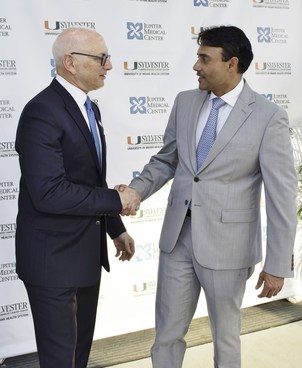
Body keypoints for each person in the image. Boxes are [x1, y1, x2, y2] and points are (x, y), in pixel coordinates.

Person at [117, 25, 297, 367]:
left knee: (226, 340)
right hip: (177, 239)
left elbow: (282, 197)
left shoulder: (268, 117)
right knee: (166, 334)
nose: (196, 66)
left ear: (232, 64)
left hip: (228, 246)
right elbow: (166, 160)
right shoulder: (185, 102)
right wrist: (136, 191)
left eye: (204, 58)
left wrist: (277, 266)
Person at [15, 27, 140, 368]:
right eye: (101, 58)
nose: (109, 66)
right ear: (70, 62)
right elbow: (49, 193)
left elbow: (90, 178)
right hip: (52, 261)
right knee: (60, 360)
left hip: (85, 255)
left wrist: (115, 228)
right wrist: (118, 201)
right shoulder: (42, 111)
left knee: (78, 356)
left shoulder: (88, 108)